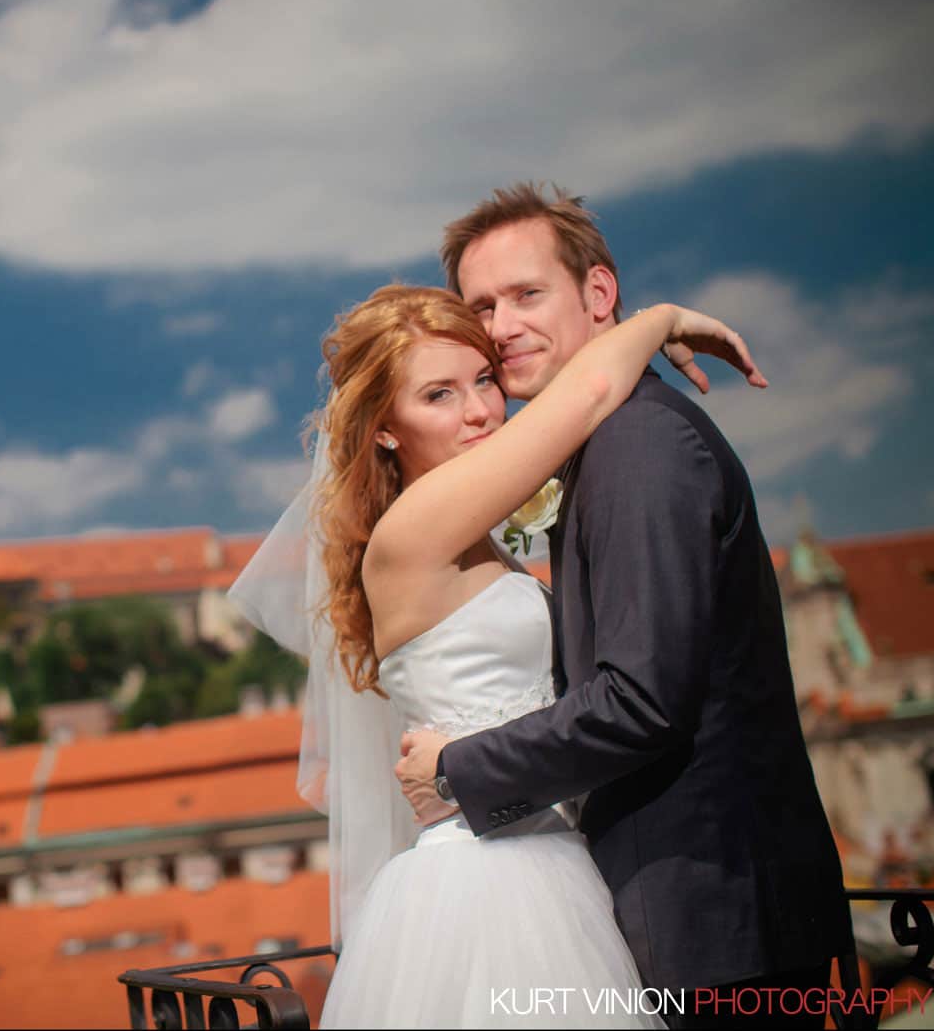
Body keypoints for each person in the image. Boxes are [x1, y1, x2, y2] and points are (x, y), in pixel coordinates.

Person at [230, 281, 765, 1027]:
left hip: (542, 850)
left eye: (483, 379)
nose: (481, 409)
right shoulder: (416, 529)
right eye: (439, 395)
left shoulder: (467, 532)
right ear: (385, 428)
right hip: (492, 885)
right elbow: (587, 394)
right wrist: (665, 318)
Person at [396, 184, 853, 1029]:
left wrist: (459, 769)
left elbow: (641, 702)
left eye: (526, 295)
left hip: (719, 929)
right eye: (482, 306)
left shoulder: (640, 447)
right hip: (699, 921)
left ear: (599, 296)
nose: (499, 328)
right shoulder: (607, 442)